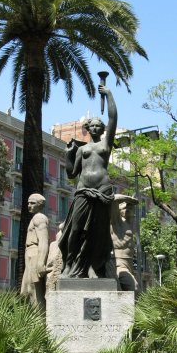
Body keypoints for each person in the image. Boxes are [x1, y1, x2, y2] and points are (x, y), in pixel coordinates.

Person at [59, 85, 117, 278]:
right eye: (91, 125)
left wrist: (108, 94)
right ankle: (69, 265)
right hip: (83, 189)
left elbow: (113, 118)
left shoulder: (105, 144)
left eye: (97, 125)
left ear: (102, 129)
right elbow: (71, 174)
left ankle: (94, 266)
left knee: (98, 232)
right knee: (75, 229)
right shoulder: (82, 149)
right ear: (87, 128)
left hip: (102, 189)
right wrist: (68, 155)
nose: (94, 127)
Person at [21, 194, 49, 309]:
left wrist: (41, 262)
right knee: (27, 290)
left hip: (34, 253)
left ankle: (39, 322)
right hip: (30, 253)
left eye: (32, 203)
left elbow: (44, 241)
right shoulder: (35, 218)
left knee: (33, 288)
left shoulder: (39, 218)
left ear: (40, 205)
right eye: (28, 203)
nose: (29, 206)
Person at [110, 194, 139, 294]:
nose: (129, 209)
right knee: (133, 286)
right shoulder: (116, 222)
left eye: (131, 207)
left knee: (133, 292)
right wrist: (126, 198)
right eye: (125, 208)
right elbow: (113, 200)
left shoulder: (130, 223)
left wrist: (130, 202)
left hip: (129, 263)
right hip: (119, 264)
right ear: (119, 211)